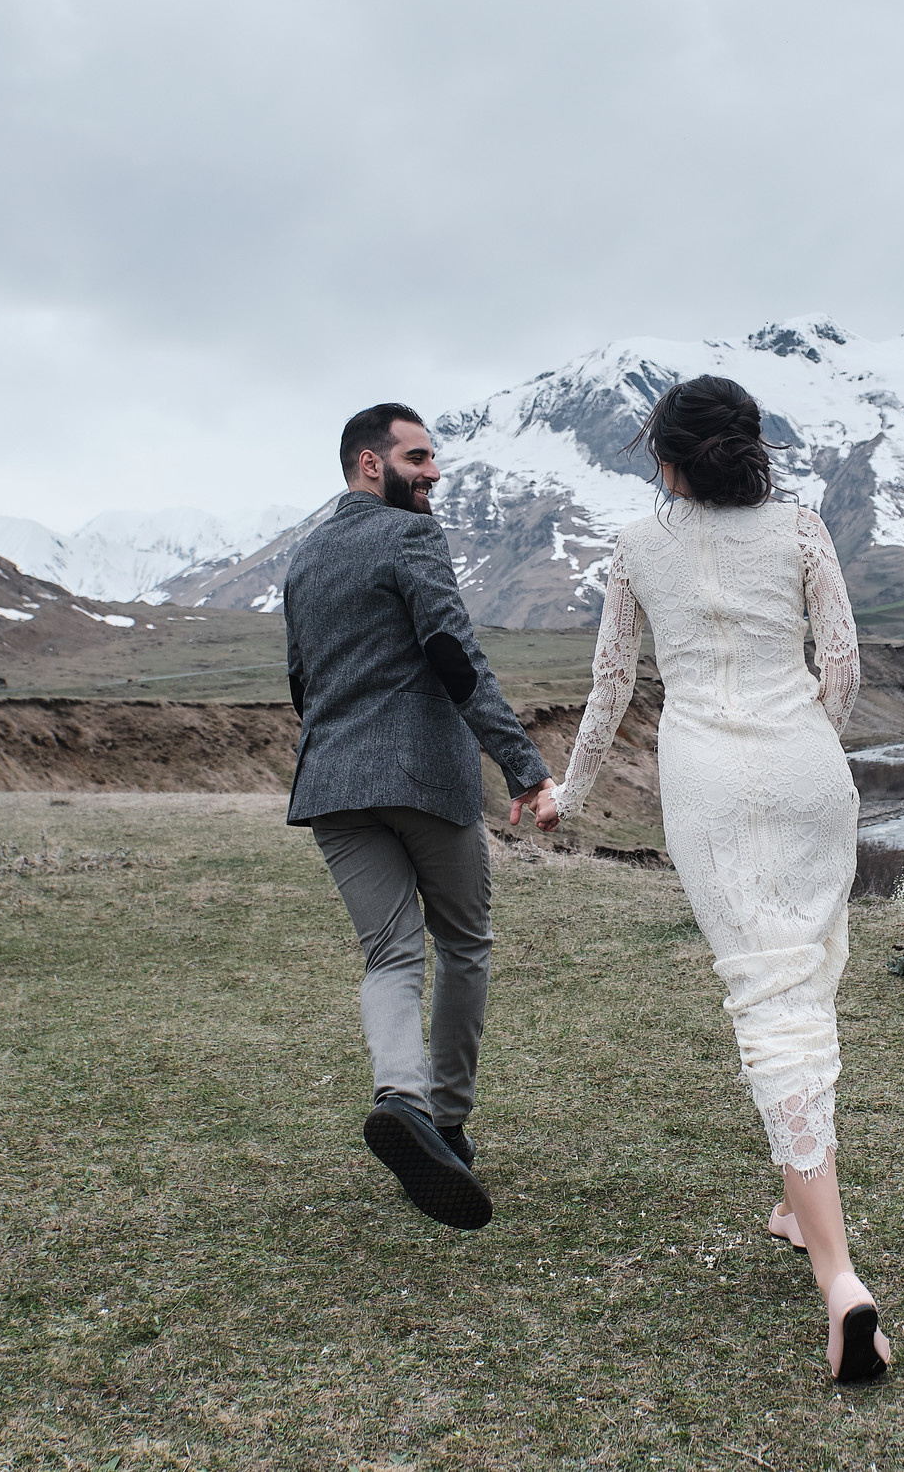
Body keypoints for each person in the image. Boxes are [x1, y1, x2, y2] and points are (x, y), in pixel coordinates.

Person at [552, 374, 892, 1385]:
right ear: (748, 450)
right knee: (806, 977)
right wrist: (805, 743)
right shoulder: (800, 529)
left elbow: (612, 685)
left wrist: (569, 795)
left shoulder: (635, 544)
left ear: (668, 460)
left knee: (767, 999)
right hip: (805, 767)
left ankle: (838, 1277)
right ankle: (796, 1204)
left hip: (706, 784)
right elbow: (842, 661)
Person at [284, 402, 560, 1231]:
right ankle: (444, 1124)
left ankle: (397, 1095)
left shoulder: (302, 558)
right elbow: (451, 652)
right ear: (372, 463)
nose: (434, 472)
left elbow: (303, 682)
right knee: (464, 942)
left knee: (390, 952)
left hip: (331, 784)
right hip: (421, 776)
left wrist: (339, 745)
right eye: (418, 457)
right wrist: (523, 765)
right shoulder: (409, 537)